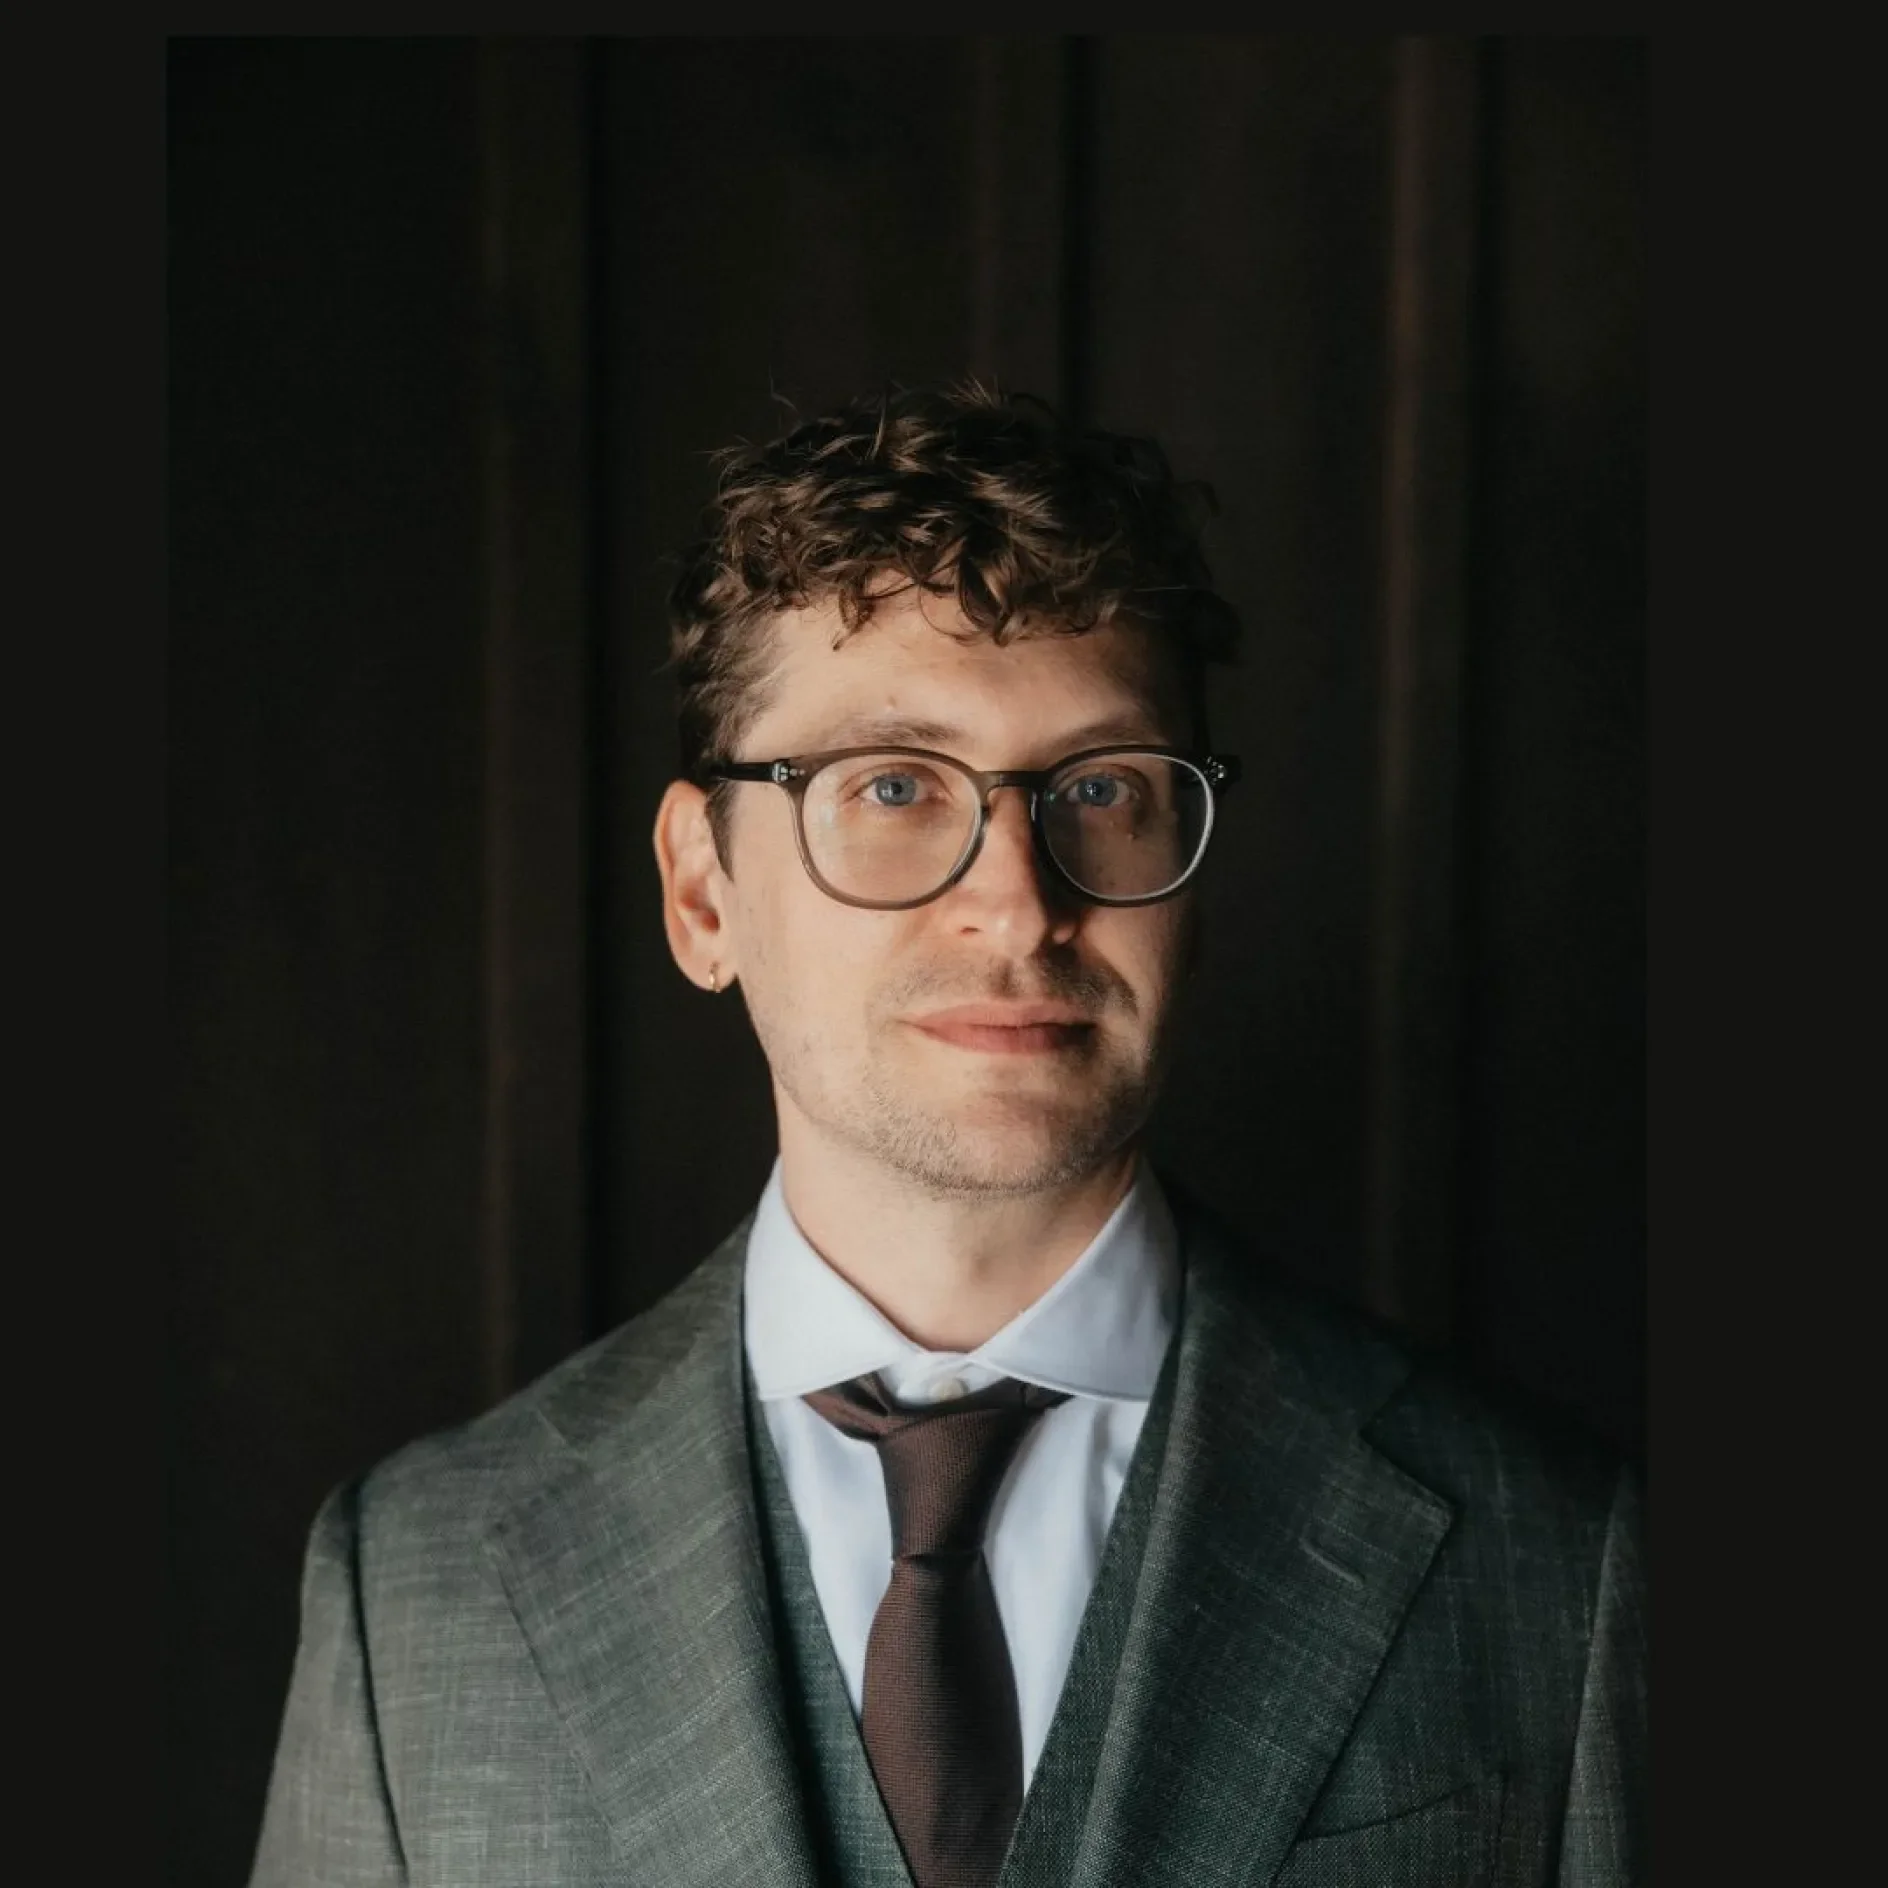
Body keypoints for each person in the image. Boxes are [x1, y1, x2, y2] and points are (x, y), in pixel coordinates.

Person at [249, 382, 1645, 1888]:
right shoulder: (417, 1584)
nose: (1020, 902)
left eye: (1100, 789)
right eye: (895, 786)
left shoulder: (1559, 1565)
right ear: (702, 893)